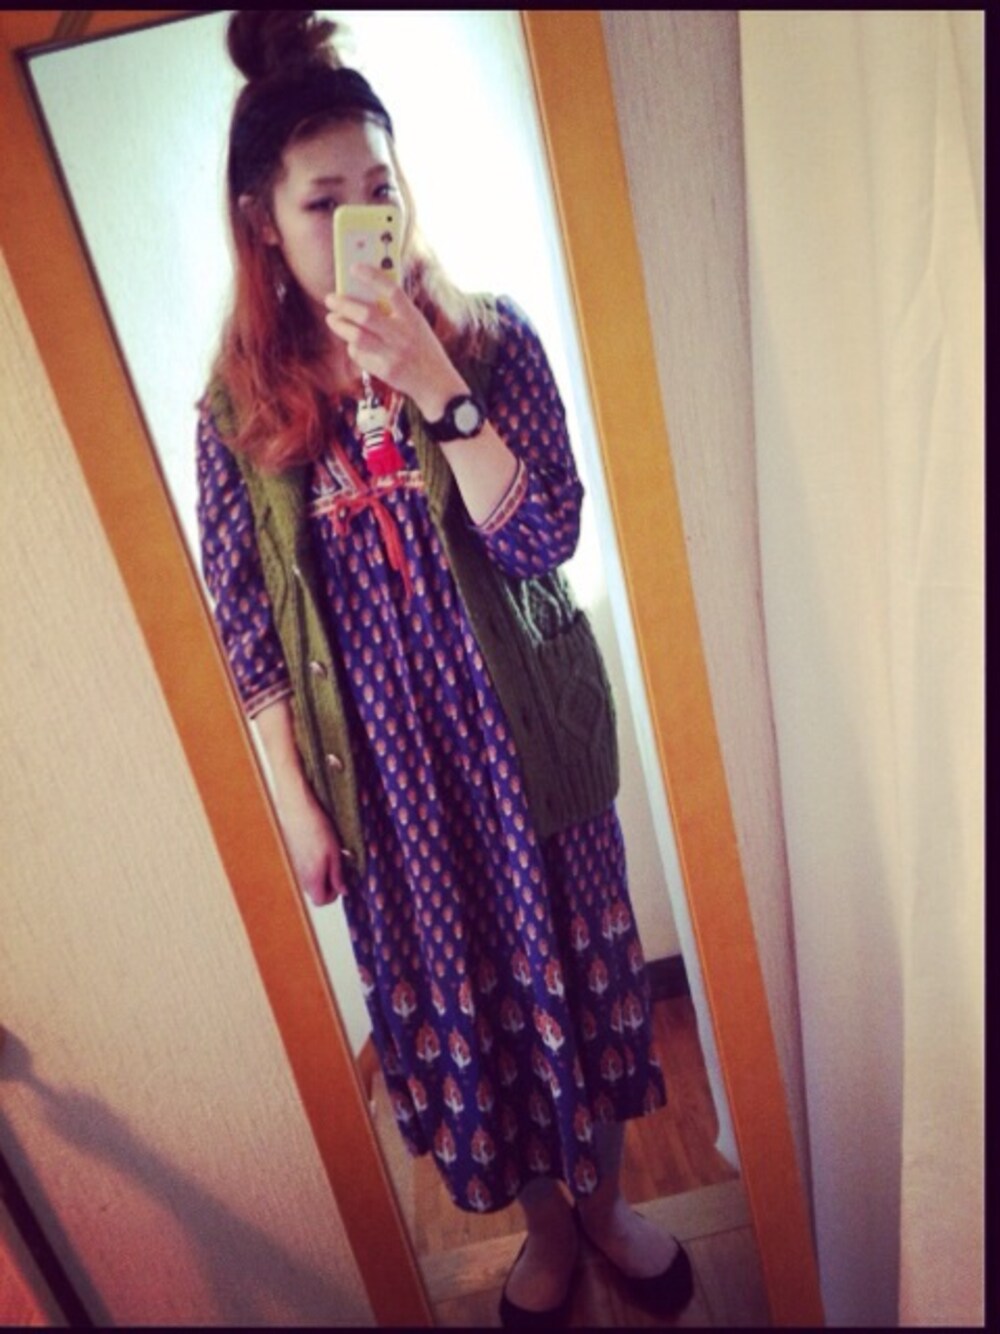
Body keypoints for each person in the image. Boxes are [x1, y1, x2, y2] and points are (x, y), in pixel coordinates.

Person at [196, 11, 693, 1326]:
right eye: (323, 201)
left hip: (524, 744)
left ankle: (607, 1208)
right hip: (392, 787)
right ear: (262, 223)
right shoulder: (238, 412)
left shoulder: (488, 341)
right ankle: (547, 1229)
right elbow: (246, 629)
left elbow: (545, 535)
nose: (364, 218)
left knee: (577, 982)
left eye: (379, 186)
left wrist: (438, 389)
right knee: (479, 1009)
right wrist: (297, 804)